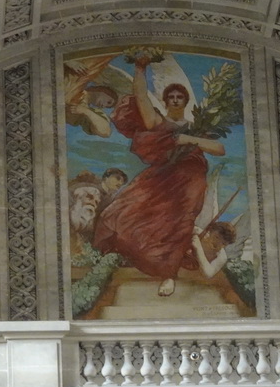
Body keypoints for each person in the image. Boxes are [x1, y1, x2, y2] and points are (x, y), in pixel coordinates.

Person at [93, 54, 224, 297]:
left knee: (179, 224)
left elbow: (219, 148)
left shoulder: (195, 127)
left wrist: (188, 139)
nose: (175, 99)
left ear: (185, 101)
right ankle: (123, 257)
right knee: (122, 210)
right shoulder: (157, 122)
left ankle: (168, 276)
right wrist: (140, 68)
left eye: (179, 97)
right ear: (165, 101)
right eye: (171, 96)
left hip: (189, 180)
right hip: (162, 177)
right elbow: (141, 97)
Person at [68, 173, 105, 254]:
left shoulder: (93, 228)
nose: (93, 204)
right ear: (78, 198)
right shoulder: (65, 220)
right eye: (89, 197)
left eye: (96, 201)